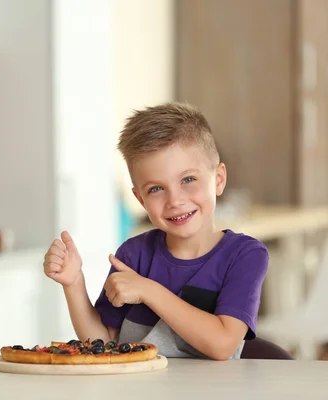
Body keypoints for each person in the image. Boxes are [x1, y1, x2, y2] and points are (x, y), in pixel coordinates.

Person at [42, 102, 269, 360]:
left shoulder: (245, 255)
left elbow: (222, 345)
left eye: (188, 180)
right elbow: (103, 344)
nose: (175, 200)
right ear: (140, 200)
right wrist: (74, 283)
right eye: (156, 189)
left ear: (218, 179)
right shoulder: (133, 254)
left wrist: (148, 291)